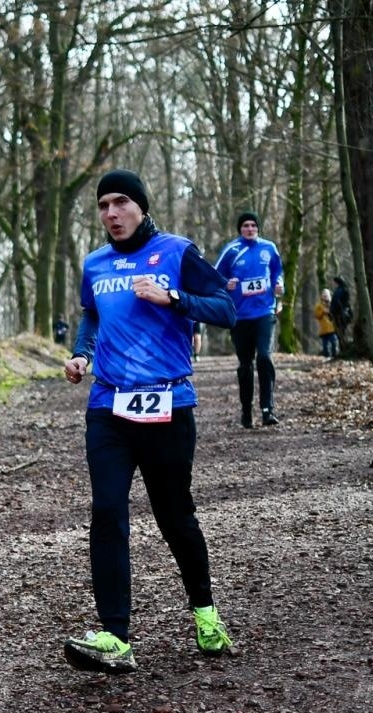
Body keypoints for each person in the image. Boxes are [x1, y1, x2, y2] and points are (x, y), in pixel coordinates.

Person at [62, 169, 237, 675]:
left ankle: (205, 614)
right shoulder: (95, 263)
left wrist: (174, 298)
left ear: (140, 205)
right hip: (108, 408)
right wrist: (80, 354)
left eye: (120, 203)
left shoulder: (177, 252)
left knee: (174, 515)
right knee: (108, 513)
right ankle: (116, 636)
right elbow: (92, 315)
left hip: (168, 404)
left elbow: (225, 309)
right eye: (103, 206)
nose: (111, 214)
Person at [215, 212, 284, 427]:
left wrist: (279, 285)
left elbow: (277, 272)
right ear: (240, 229)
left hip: (264, 312)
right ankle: (246, 410)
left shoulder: (269, 248)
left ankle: (267, 409)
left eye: (254, 225)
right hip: (240, 316)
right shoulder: (231, 250)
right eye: (246, 225)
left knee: (265, 357)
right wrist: (227, 283)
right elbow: (216, 276)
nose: (250, 229)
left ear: (258, 228)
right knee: (245, 365)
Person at [314, 288, 338, 358]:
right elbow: (316, 315)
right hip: (323, 329)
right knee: (325, 345)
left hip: (332, 328)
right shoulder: (319, 306)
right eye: (324, 295)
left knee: (334, 343)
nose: (325, 297)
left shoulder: (332, 304)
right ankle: (327, 357)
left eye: (326, 295)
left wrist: (330, 312)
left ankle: (334, 356)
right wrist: (323, 312)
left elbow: (336, 313)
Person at [329, 276, 353, 344]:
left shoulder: (339, 290)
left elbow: (336, 301)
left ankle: (342, 346)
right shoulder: (344, 289)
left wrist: (335, 311)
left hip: (340, 313)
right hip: (343, 312)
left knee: (340, 331)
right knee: (341, 331)